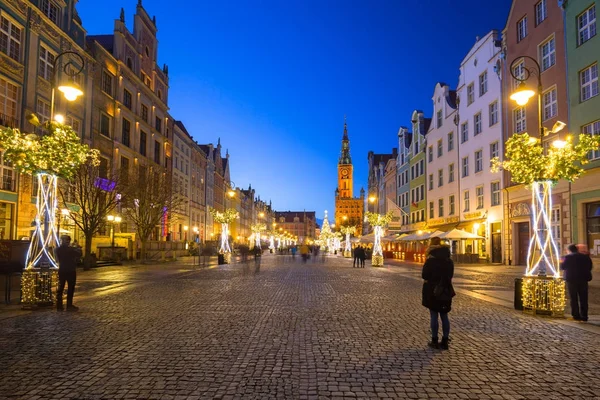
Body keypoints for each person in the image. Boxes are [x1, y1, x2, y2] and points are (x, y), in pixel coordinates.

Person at [422, 236, 454, 350]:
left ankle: (434, 340)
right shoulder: (448, 260)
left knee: (434, 315)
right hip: (445, 289)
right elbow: (450, 275)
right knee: (444, 315)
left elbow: (424, 275)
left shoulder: (431, 260)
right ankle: (445, 340)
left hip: (432, 290)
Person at [560, 244, 593, 322]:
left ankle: (576, 315)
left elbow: (562, 267)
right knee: (584, 298)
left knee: (573, 298)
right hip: (583, 279)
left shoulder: (566, 257)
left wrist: (561, 261)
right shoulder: (585, 257)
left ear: (569, 250)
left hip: (571, 280)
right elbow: (590, 266)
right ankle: (584, 316)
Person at [55, 235, 82, 312]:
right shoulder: (71, 249)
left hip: (62, 270)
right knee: (70, 288)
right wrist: (78, 247)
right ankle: (69, 305)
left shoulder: (58, 249)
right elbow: (79, 254)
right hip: (70, 270)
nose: (67, 242)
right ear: (68, 241)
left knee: (60, 288)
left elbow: (57, 259)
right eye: (67, 240)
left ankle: (59, 306)